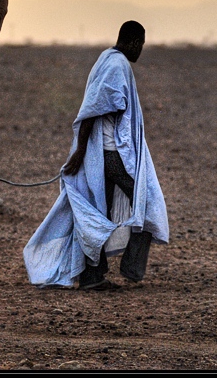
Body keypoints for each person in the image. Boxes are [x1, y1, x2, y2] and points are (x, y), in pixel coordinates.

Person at [23, 20, 168, 290]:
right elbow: (94, 109)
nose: (141, 51)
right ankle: (131, 268)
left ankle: (93, 275)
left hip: (106, 154)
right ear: (135, 41)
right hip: (111, 154)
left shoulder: (107, 58)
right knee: (145, 201)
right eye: (142, 45)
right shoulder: (116, 65)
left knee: (101, 210)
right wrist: (79, 152)